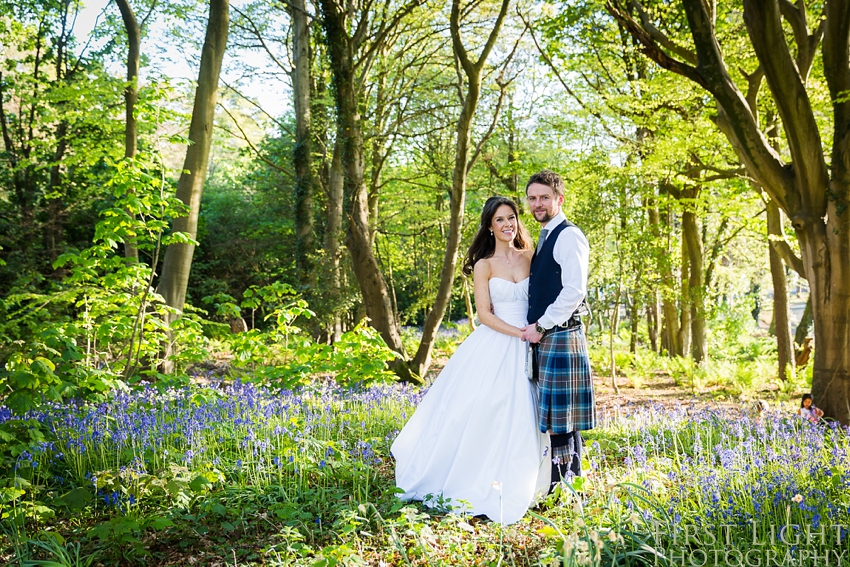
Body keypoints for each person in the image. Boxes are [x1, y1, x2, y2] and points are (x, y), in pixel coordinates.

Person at [391, 196, 550, 525]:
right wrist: (519, 333)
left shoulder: (531, 256)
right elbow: (483, 315)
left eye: (511, 218)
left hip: (534, 339)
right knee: (486, 408)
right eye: (499, 220)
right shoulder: (484, 265)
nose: (507, 225)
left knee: (529, 410)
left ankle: (528, 479)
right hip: (499, 340)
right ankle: (477, 478)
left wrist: (537, 330)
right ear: (490, 227)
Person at [520, 170, 596, 489]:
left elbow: (574, 291)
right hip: (551, 337)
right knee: (561, 421)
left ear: (559, 199)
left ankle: (563, 489)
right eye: (533, 198)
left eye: (545, 197)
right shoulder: (546, 235)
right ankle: (569, 487)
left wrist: (541, 324)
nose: (538, 204)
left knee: (561, 423)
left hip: (561, 334)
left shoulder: (568, 235)